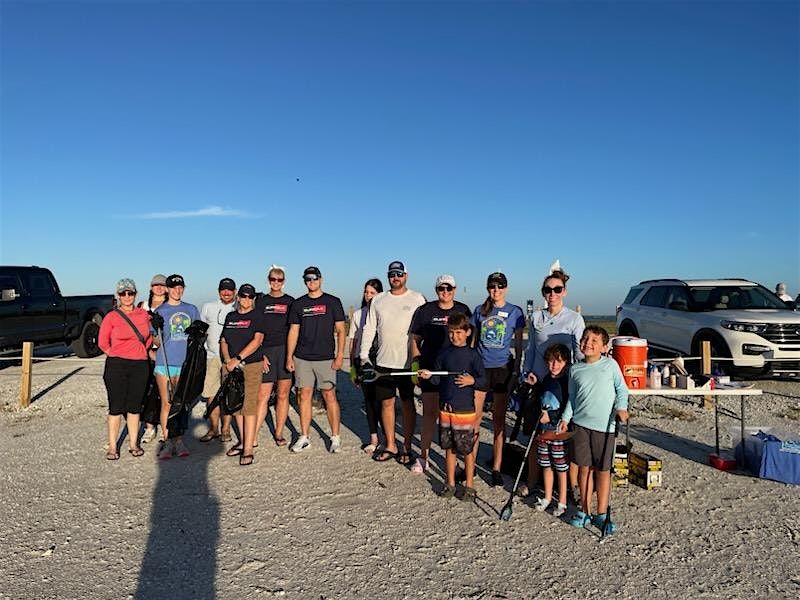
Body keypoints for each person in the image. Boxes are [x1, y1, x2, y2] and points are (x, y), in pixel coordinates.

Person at [558, 326, 629, 533]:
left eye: (594, 341)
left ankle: (602, 513)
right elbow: (572, 398)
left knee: (603, 470)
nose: (588, 343)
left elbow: (621, 389)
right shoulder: (574, 369)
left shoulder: (610, 365)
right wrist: (565, 418)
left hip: (605, 427)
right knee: (584, 468)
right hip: (580, 425)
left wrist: (621, 408)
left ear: (604, 347)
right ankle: (585, 510)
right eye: (585, 339)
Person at [522, 268, 585, 498]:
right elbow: (531, 349)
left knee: (567, 435)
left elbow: (580, 353)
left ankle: (572, 486)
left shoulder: (574, 319)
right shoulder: (536, 318)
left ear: (564, 292)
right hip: (539, 382)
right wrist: (526, 374)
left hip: (564, 386)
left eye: (557, 289)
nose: (552, 294)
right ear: (543, 293)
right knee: (535, 435)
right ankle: (532, 480)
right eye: (548, 290)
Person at [359, 261, 426, 465]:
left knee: (407, 404)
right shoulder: (378, 300)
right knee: (386, 403)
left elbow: (424, 330)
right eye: (392, 274)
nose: (395, 277)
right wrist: (363, 356)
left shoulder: (418, 298)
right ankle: (390, 445)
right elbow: (369, 328)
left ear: (406, 275)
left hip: (407, 363)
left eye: (399, 274)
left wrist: (421, 360)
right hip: (383, 362)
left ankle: (407, 446)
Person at [418, 313, 486, 501]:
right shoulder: (444, 354)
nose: (454, 336)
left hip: (464, 411)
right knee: (449, 448)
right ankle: (450, 483)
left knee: (467, 450)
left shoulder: (473, 355)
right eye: (451, 332)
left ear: (467, 332)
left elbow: (483, 380)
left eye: (458, 332)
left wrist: (473, 381)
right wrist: (428, 375)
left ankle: (469, 486)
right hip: (445, 409)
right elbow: (437, 379)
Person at [409, 274, 471, 474]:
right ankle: (423, 457)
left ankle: (454, 462)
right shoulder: (425, 310)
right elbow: (415, 339)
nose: (445, 292)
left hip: (454, 372)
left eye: (449, 288)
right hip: (430, 368)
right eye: (441, 288)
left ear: (455, 289)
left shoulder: (463, 309)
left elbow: (471, 338)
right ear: (436, 290)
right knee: (429, 414)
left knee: (452, 417)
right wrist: (415, 363)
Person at [471, 272, 525, 486]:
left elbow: (518, 344)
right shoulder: (479, 311)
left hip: (503, 370)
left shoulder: (515, 312)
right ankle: (470, 464)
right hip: (481, 369)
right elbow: (473, 342)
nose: (496, 290)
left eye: (500, 286)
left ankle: (496, 467)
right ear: (488, 288)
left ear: (506, 288)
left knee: (498, 421)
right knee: (475, 419)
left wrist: (516, 370)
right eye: (492, 286)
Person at [286, 266, 347, 453]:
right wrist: (289, 356)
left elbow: (341, 330)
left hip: (325, 358)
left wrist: (339, 355)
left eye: (314, 278)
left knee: (329, 396)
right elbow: (293, 331)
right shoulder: (298, 304)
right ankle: (304, 437)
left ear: (321, 279)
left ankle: (335, 437)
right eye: (308, 279)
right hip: (302, 357)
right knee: (303, 396)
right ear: (304, 281)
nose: (311, 282)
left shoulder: (333, 301)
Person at [98, 278, 153, 460]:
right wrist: (115, 353)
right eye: (123, 293)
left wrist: (140, 351)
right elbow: (102, 342)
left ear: (135, 294)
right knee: (115, 406)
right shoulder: (112, 317)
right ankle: (113, 446)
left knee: (134, 406)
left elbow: (148, 338)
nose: (127, 296)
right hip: (117, 365)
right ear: (118, 296)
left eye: (130, 293)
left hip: (139, 364)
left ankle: (133, 444)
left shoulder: (143, 315)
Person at [520, 343, 571, 517]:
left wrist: (553, 417)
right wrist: (535, 385)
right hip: (543, 430)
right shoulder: (548, 379)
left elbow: (566, 407)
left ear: (566, 363)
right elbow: (543, 399)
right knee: (546, 464)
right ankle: (548, 497)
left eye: (559, 362)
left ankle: (562, 501)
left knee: (560, 467)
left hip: (558, 431)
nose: (554, 365)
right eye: (551, 361)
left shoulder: (566, 383)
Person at [153, 274, 201, 459]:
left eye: (180, 287)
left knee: (180, 404)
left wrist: (198, 332)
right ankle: (167, 441)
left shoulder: (191, 309)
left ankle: (179, 440)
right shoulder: (161, 310)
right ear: (168, 289)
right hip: (165, 362)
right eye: (174, 287)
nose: (177, 290)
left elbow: (198, 337)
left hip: (184, 363)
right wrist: (155, 328)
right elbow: (157, 341)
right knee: (167, 403)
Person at [220, 284, 266, 466]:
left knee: (249, 406)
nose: (246, 299)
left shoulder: (258, 316)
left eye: (250, 297)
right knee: (236, 405)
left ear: (253, 299)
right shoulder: (231, 316)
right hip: (231, 366)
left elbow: (257, 340)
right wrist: (227, 360)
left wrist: (238, 358)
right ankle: (242, 441)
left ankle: (248, 448)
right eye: (243, 296)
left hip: (251, 364)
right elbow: (224, 340)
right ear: (238, 297)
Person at [254, 265, 295, 448]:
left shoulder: (290, 301)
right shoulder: (261, 301)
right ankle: (253, 435)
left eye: (279, 280)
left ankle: (279, 433)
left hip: (285, 351)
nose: (276, 283)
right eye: (273, 279)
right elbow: (255, 329)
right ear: (268, 280)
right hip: (267, 351)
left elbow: (295, 329)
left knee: (283, 395)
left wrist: (291, 356)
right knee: (262, 395)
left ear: (284, 282)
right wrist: (260, 354)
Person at [347, 278, 384, 454]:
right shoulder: (358, 315)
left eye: (372, 293)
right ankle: (374, 438)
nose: (368, 296)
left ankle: (388, 438)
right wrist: (352, 367)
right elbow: (353, 341)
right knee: (369, 400)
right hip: (363, 360)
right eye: (366, 292)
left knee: (383, 401)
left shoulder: (383, 312)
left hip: (382, 360)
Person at [198, 277, 237, 443]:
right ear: (219, 291)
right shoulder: (208, 307)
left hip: (231, 358)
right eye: (223, 289)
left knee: (229, 395)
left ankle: (226, 430)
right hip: (212, 356)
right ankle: (213, 428)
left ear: (235, 291)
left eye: (229, 289)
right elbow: (201, 330)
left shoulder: (239, 307)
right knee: (211, 394)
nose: (226, 292)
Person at [139, 273, 168, 444]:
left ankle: (165, 427)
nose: (159, 288)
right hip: (147, 353)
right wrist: (148, 350)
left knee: (164, 393)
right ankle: (149, 427)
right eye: (156, 285)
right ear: (151, 287)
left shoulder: (171, 305)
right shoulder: (143, 306)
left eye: (162, 285)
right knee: (148, 391)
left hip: (167, 353)